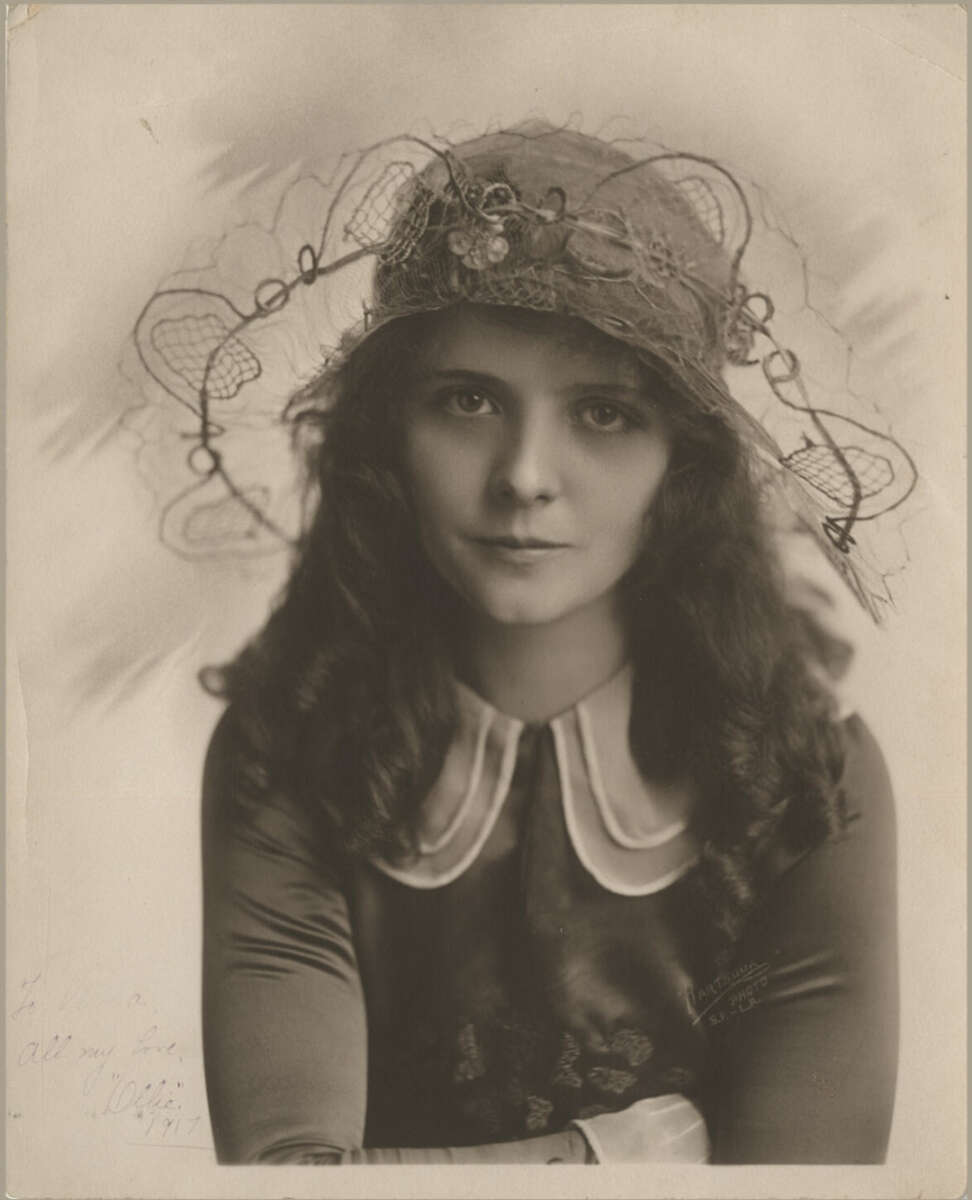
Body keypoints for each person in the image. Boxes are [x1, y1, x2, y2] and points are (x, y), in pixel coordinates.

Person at [154, 123, 904, 1163]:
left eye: (602, 413)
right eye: (467, 402)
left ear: (680, 470)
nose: (523, 475)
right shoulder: (287, 756)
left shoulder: (809, 781)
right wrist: (629, 1150)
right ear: (385, 437)